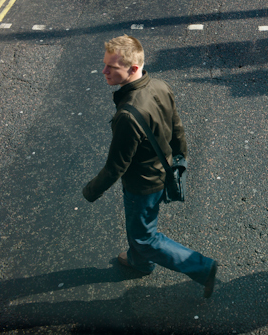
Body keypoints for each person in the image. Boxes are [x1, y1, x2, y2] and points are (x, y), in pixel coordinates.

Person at [82, 35, 218, 298]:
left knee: (145, 237)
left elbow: (115, 167)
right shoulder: (159, 85)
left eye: (112, 67)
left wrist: (90, 191)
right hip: (162, 169)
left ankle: (203, 267)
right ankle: (139, 261)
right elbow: (177, 127)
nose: (104, 71)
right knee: (139, 226)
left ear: (133, 69)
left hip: (142, 184)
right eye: (105, 64)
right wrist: (180, 158)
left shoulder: (127, 115)